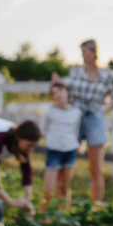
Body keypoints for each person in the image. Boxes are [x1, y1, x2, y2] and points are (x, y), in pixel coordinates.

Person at [52, 39, 113, 202]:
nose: (83, 55)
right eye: (82, 52)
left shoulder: (107, 76)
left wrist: (103, 112)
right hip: (75, 117)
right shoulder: (75, 72)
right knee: (66, 162)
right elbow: (64, 91)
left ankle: (95, 206)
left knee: (96, 168)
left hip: (95, 119)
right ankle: (62, 202)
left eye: (85, 52)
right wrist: (57, 83)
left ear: (94, 53)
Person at [40, 82, 83, 211]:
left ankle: (62, 216)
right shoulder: (49, 110)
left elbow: (77, 130)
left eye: (59, 91)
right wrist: (53, 140)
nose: (57, 95)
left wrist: (76, 143)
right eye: (54, 93)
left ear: (67, 91)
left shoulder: (77, 112)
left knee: (64, 188)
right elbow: (43, 129)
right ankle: (42, 218)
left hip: (69, 151)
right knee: (48, 190)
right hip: (54, 151)